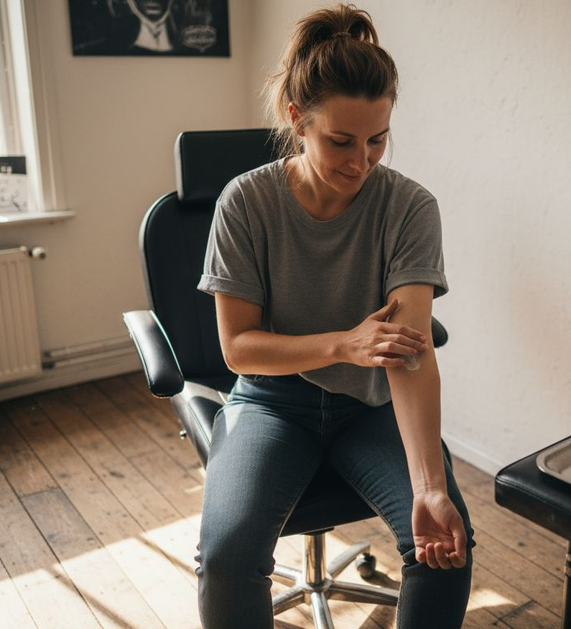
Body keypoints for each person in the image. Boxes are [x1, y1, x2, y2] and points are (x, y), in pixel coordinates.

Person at [194, 4, 475, 628]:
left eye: (378, 139)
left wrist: (431, 487)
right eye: (341, 141)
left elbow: (408, 353)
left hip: (370, 409)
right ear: (298, 120)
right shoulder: (246, 202)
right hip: (270, 403)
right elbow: (239, 348)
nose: (361, 162)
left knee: (444, 548)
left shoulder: (409, 208)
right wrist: (344, 344)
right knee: (226, 557)